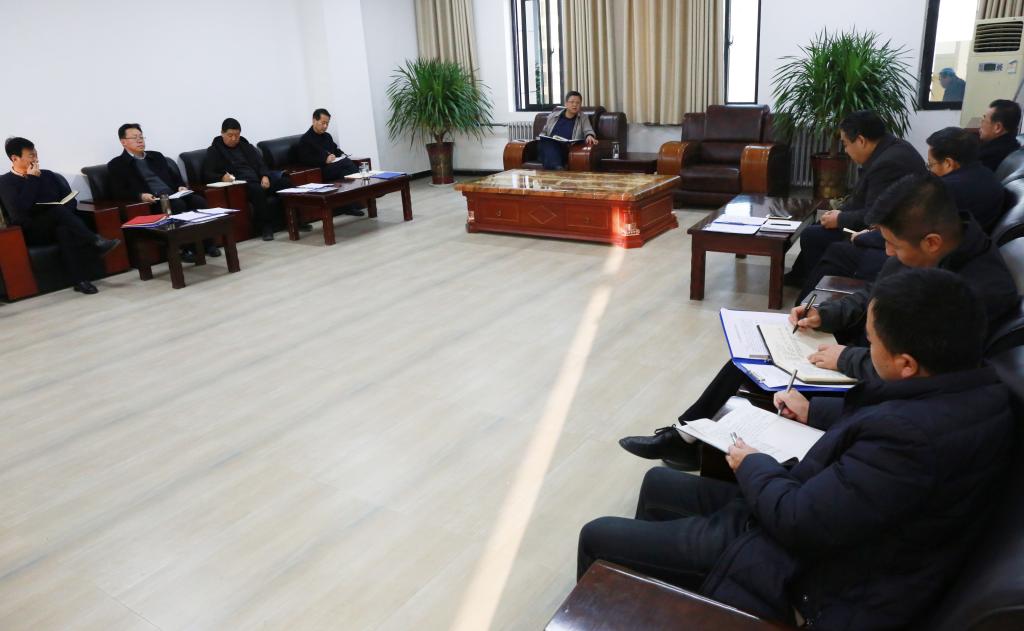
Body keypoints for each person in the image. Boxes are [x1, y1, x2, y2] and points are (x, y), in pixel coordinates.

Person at [580, 268, 1013, 629]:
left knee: (597, 535)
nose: (863, 351)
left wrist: (753, 463)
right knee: (658, 482)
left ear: (906, 364)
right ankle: (658, 600)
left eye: (870, 344)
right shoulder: (972, 388)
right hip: (830, 532)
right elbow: (877, 430)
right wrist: (813, 411)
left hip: (806, 577)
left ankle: (659, 598)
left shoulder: (910, 440)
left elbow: (798, 521)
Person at [619, 173, 1018, 468]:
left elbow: (920, 371)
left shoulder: (979, 291)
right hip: (868, 351)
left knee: (766, 370)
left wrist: (845, 358)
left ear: (931, 242)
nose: (889, 255)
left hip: (884, 384)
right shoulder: (923, 251)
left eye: (894, 246)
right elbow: (874, 293)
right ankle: (688, 433)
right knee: (753, 352)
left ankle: (698, 444)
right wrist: (825, 314)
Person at [795, 126, 1006, 298]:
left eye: (931, 165)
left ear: (949, 163)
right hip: (945, 251)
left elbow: (911, 231)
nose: (929, 170)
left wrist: (866, 237)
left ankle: (805, 304)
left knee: (840, 252)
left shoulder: (946, 190)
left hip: (937, 259)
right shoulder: (983, 175)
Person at [784, 110, 925, 287]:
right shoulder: (890, 148)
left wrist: (841, 218)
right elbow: (862, 198)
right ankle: (804, 276)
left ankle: (816, 285)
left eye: (845, 144)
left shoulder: (888, 164)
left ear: (861, 141)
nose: (845, 150)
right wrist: (839, 213)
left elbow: (875, 216)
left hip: (892, 233)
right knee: (819, 226)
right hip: (887, 224)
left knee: (814, 235)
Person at [0, 137, 120, 295]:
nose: (36, 159)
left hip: (60, 223)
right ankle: (94, 240)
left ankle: (80, 281)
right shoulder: (5, 183)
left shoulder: (48, 175)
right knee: (56, 211)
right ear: (15, 158)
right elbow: (19, 212)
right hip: (32, 230)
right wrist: (32, 180)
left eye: (36, 154)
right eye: (31, 155)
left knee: (63, 229)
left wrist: (64, 212)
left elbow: (70, 199)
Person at [107, 123, 218, 262]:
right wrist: (140, 196)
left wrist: (180, 186)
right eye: (135, 138)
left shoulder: (156, 156)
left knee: (198, 201)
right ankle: (184, 249)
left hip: (174, 195)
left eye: (141, 137)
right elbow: (118, 191)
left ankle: (208, 244)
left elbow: (175, 177)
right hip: (153, 202)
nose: (140, 140)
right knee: (177, 206)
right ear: (123, 142)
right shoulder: (117, 165)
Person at [203, 117, 295, 241]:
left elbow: (261, 164)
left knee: (285, 183)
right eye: (230, 135)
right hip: (241, 185)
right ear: (222, 133)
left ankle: (295, 220)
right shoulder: (214, 151)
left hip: (259, 179)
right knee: (257, 190)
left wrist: (265, 176)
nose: (234, 139)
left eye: (237, 135)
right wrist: (221, 177)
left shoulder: (246, 146)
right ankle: (266, 227)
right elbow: (207, 174)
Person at [296, 108, 363, 216]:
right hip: (321, 170)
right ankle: (364, 182)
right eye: (323, 123)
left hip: (334, 167)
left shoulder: (327, 136)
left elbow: (335, 149)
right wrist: (324, 160)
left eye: (327, 123)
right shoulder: (306, 140)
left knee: (345, 172)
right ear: (314, 120)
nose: (325, 126)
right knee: (347, 163)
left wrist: (342, 154)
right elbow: (305, 160)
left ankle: (349, 207)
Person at [536, 90, 598, 170]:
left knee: (550, 151)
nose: (575, 105)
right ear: (566, 104)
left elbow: (588, 130)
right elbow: (544, 132)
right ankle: (557, 168)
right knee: (547, 143)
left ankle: (556, 168)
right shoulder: (553, 116)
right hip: (549, 146)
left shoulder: (583, 118)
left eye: (578, 103)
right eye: (572, 102)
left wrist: (589, 136)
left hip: (567, 149)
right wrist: (542, 137)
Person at [978, 98, 1022, 171]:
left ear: (997, 128)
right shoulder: (1014, 147)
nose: (981, 123)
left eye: (984, 119)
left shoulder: (988, 157)